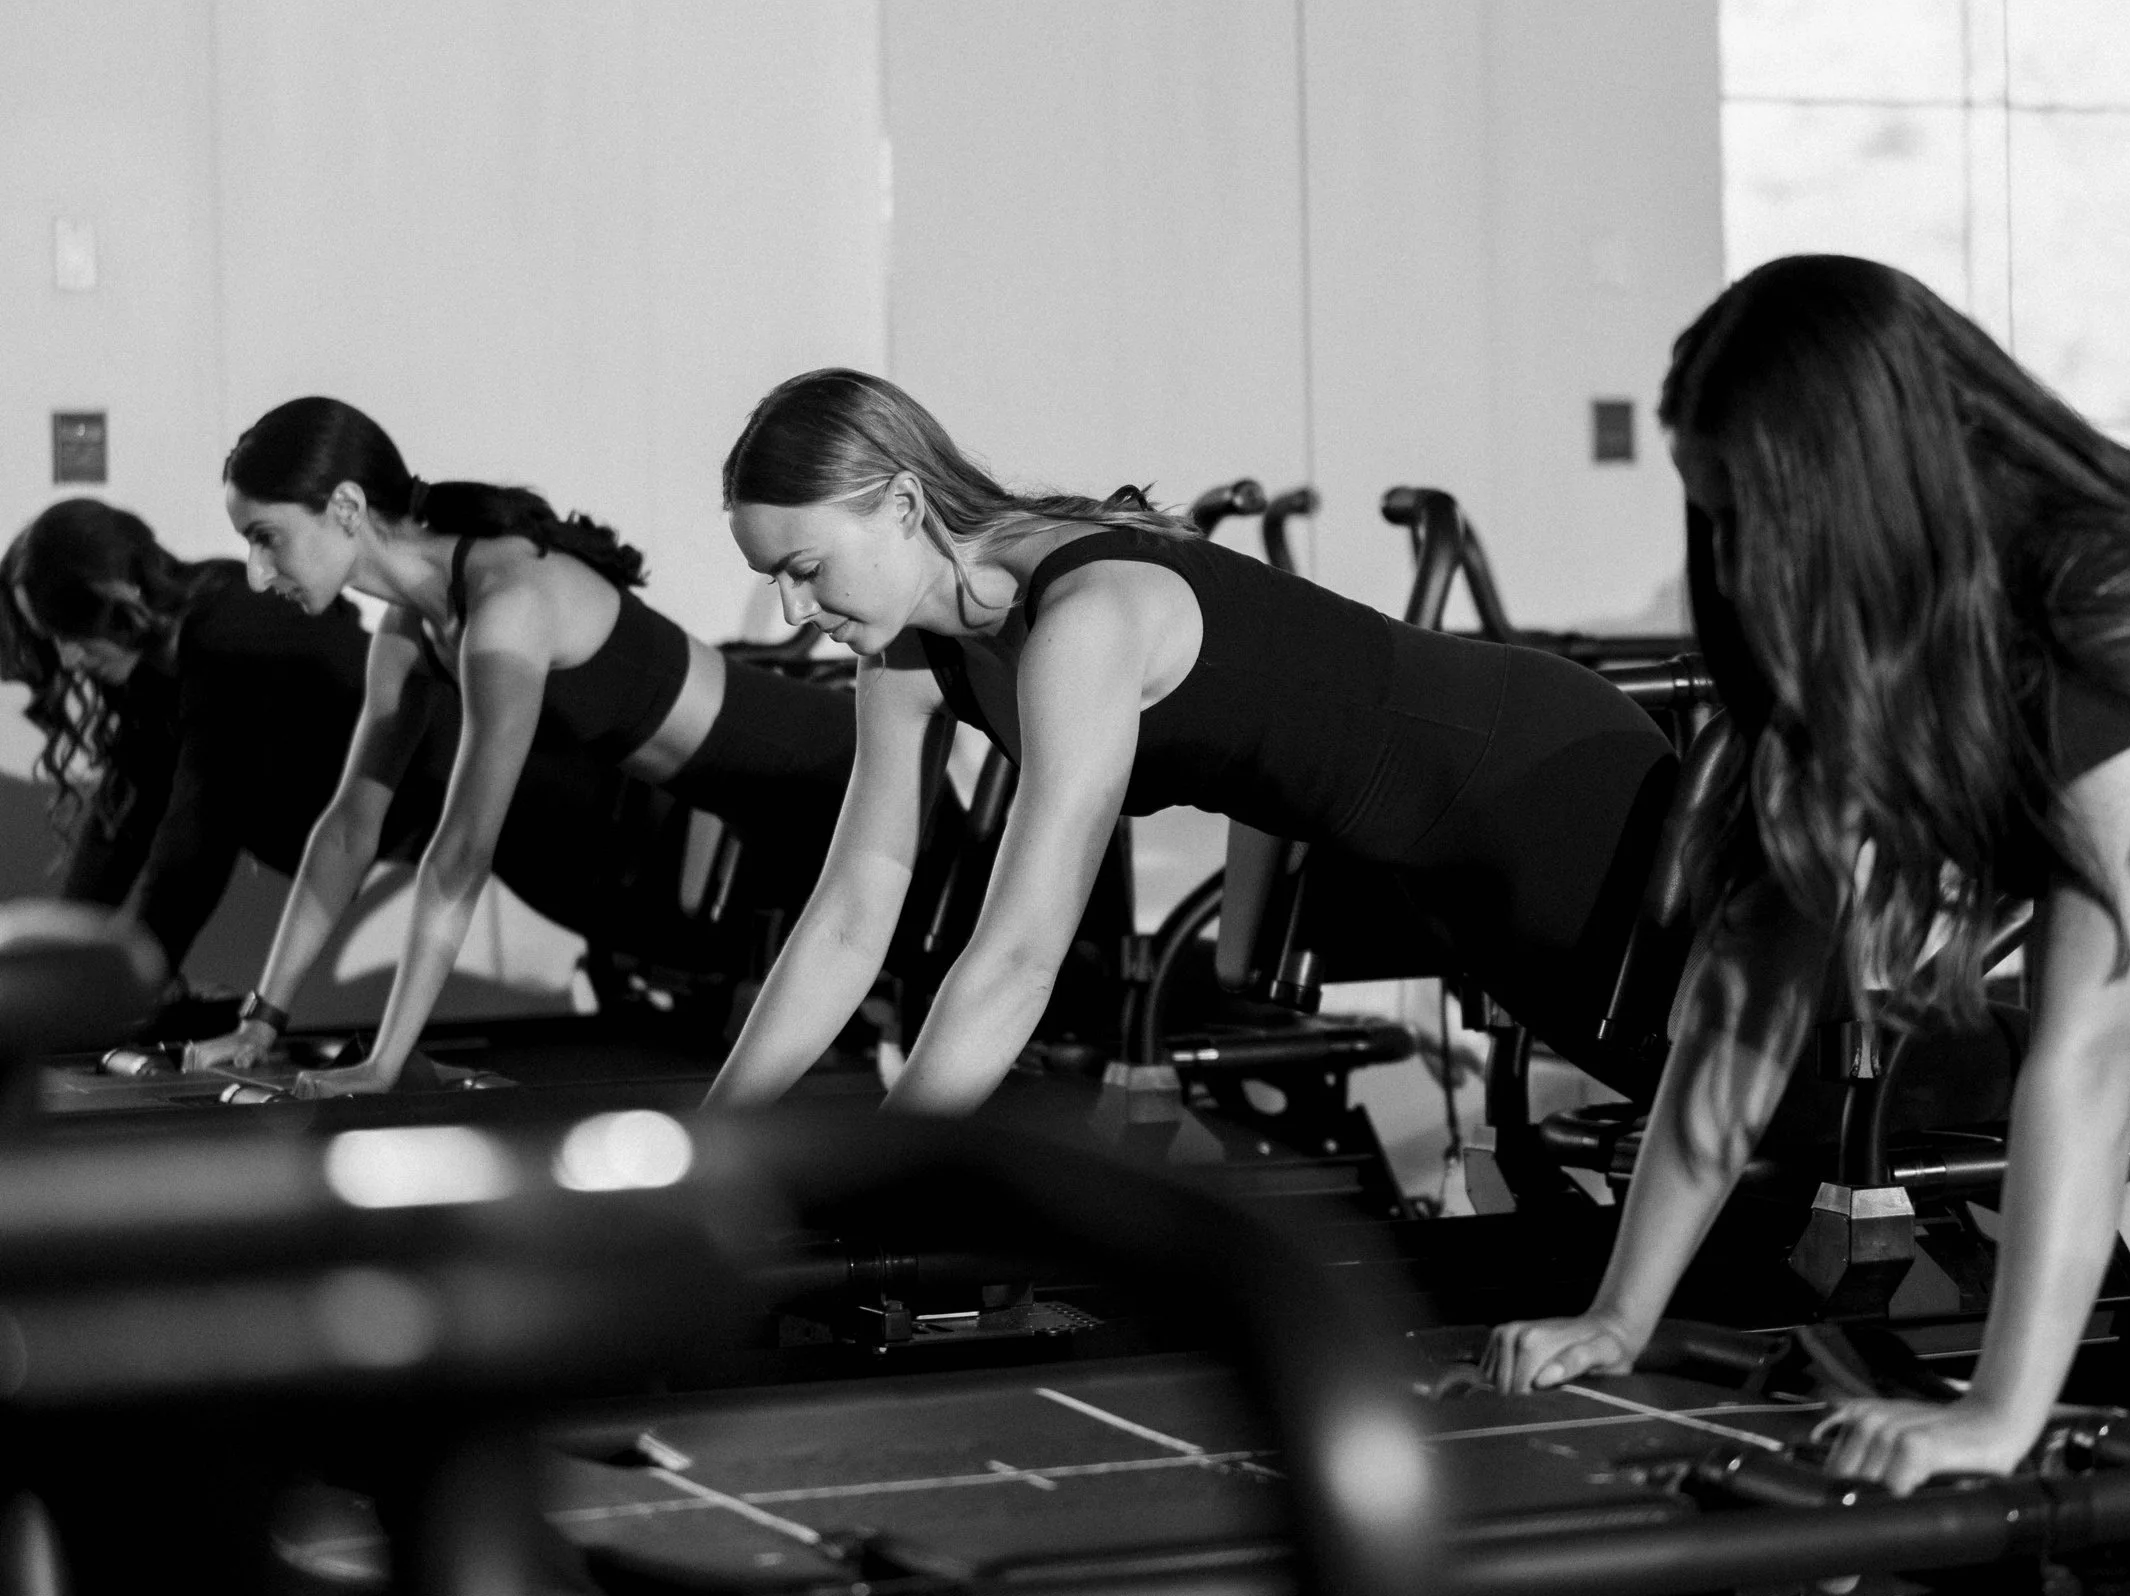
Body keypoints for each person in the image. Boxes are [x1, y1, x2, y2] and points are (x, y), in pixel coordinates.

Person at [1482, 256, 2130, 1487]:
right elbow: (1746, 986)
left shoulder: (2129, 609)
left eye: (1757, 515)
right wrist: (1618, 1317)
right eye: (1711, 511)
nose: (1737, 562)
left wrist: (1997, 1412)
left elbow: (2091, 1051)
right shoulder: (1901, 640)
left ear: (1862, 487)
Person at [704, 368, 1682, 1116]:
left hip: (1537, 782)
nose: (792, 610)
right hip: (1424, 856)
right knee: (1693, 1109)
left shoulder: (1083, 621)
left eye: (804, 569)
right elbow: (848, 913)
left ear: (905, 507)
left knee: (1744, 1105)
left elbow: (1015, 961)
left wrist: (883, 1178)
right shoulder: (904, 656)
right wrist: (716, 1147)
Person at [192, 398, 855, 1096]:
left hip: (825, 771)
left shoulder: (508, 601)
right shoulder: (409, 630)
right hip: (759, 817)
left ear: (347, 506)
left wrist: (385, 1064)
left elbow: (464, 848)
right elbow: (349, 827)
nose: (259, 573)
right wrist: (262, 1020)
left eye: (267, 537)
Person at [0, 497, 435, 986]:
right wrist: (55, 964)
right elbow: (121, 819)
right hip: (410, 816)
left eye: (73, 633)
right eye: (53, 640)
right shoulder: (159, 665)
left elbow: (194, 844)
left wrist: (131, 984)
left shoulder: (232, 638)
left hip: (483, 784)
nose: (69, 659)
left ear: (122, 594)